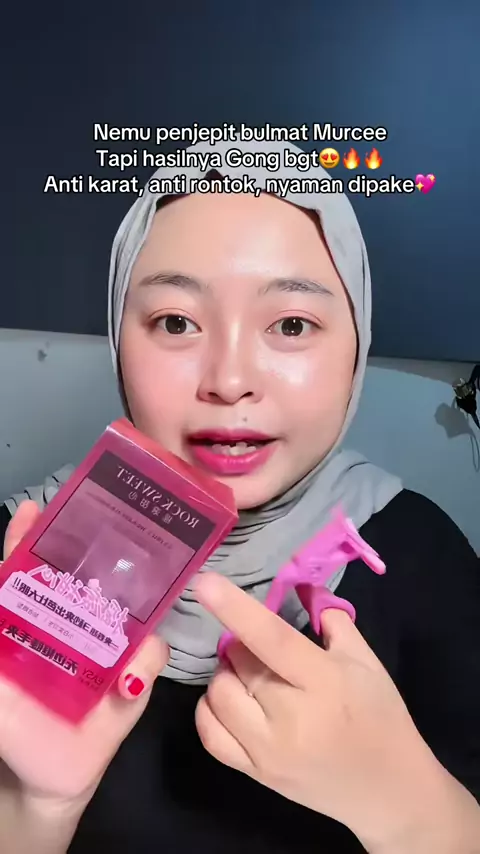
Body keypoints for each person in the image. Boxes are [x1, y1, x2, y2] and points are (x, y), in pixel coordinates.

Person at [0, 139, 479, 854]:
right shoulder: (24, 556)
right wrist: (36, 810)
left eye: (291, 325)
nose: (229, 380)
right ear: (119, 340)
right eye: (176, 322)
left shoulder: (420, 552)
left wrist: (410, 810)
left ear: (356, 344)